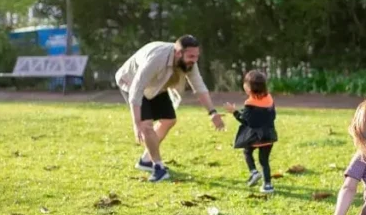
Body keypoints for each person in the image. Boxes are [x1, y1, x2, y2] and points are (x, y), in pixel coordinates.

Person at [115, 35, 226, 182]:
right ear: (178, 53)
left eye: (197, 56)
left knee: (169, 120)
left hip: (157, 86)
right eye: (191, 56)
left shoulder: (189, 63)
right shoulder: (157, 59)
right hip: (132, 82)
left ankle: (146, 160)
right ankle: (158, 167)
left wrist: (212, 112)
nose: (194, 60)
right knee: (146, 126)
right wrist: (137, 123)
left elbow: (199, 86)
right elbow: (137, 89)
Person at [225, 70, 278, 194]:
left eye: (245, 83)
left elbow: (246, 121)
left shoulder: (250, 103)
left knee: (247, 151)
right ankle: (268, 185)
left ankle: (254, 172)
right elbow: (272, 115)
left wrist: (234, 112)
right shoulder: (269, 98)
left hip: (257, 137)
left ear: (249, 88)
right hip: (269, 135)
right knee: (264, 161)